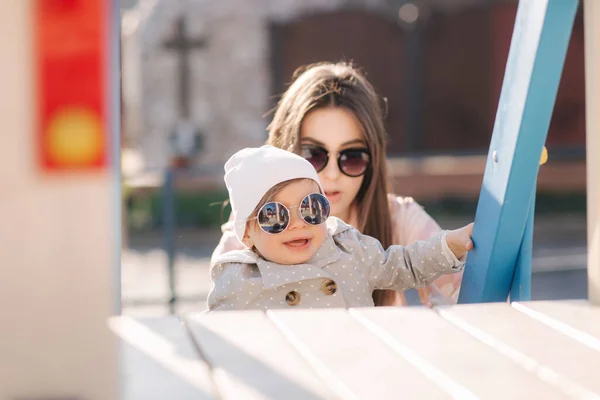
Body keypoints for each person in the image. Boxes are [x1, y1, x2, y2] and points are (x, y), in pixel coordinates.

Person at [212, 61, 463, 307]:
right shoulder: (251, 232)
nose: (332, 174)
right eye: (313, 155)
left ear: (372, 159)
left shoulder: (400, 219)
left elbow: (470, 298)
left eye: (352, 157)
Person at [208, 146, 473, 311]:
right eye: (275, 216)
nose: (298, 223)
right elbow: (215, 340)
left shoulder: (349, 250)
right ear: (246, 235)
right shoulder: (239, 280)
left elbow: (405, 264)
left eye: (311, 208)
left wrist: (450, 245)